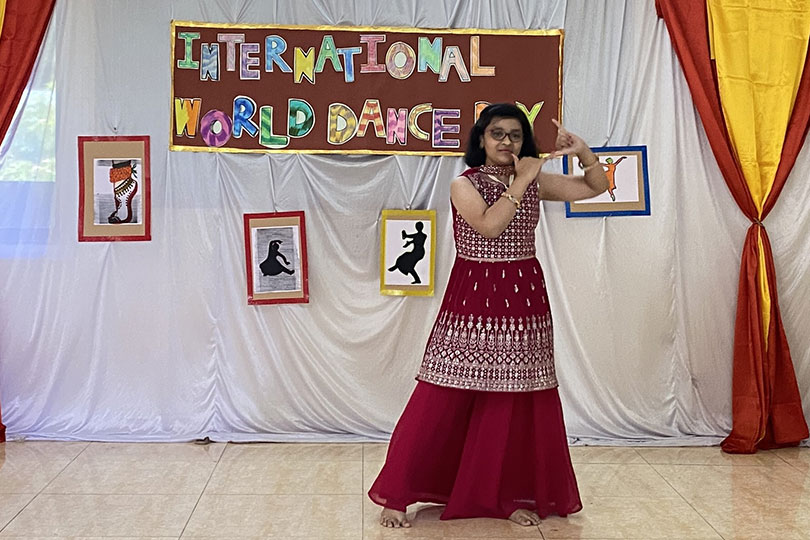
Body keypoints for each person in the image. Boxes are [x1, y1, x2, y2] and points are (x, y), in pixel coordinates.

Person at [368, 103, 609, 528]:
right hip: (474, 298)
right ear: (481, 138)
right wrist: (523, 180)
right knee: (443, 392)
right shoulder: (465, 184)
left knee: (513, 398)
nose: (506, 142)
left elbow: (595, 187)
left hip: (524, 298)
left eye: (515, 135)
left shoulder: (530, 179)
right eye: (498, 133)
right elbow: (489, 227)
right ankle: (399, 494)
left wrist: (584, 152)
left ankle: (504, 495)